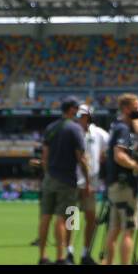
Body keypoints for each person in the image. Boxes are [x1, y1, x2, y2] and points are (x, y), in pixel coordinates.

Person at [100, 93, 138, 265]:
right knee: (128, 229)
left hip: (115, 184)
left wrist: (137, 122)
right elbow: (119, 156)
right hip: (125, 185)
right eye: (136, 107)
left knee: (114, 229)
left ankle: (108, 262)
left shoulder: (119, 125)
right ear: (126, 108)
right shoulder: (123, 128)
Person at [37, 97, 89, 265]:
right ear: (72, 110)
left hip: (49, 178)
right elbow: (80, 158)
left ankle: (43, 256)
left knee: (45, 216)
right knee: (62, 217)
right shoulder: (75, 129)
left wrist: (47, 174)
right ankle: (61, 257)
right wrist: (87, 180)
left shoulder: (51, 127)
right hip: (67, 179)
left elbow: (44, 156)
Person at [75, 104, 109, 265]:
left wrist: (102, 156)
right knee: (72, 219)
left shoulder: (99, 133)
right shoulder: (73, 132)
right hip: (73, 183)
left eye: (83, 116)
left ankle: (85, 253)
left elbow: (108, 151)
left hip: (91, 184)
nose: (80, 119)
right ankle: (68, 251)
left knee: (91, 219)